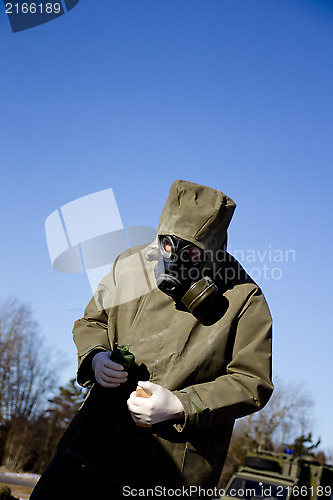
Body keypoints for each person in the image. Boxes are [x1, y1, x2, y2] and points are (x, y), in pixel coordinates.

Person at [31, 179, 273, 500]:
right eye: (167, 245)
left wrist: (181, 405)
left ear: (212, 251)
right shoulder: (129, 266)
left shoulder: (244, 298)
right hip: (91, 445)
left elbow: (251, 381)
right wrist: (96, 356)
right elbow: (92, 321)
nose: (172, 259)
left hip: (168, 472)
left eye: (189, 252)